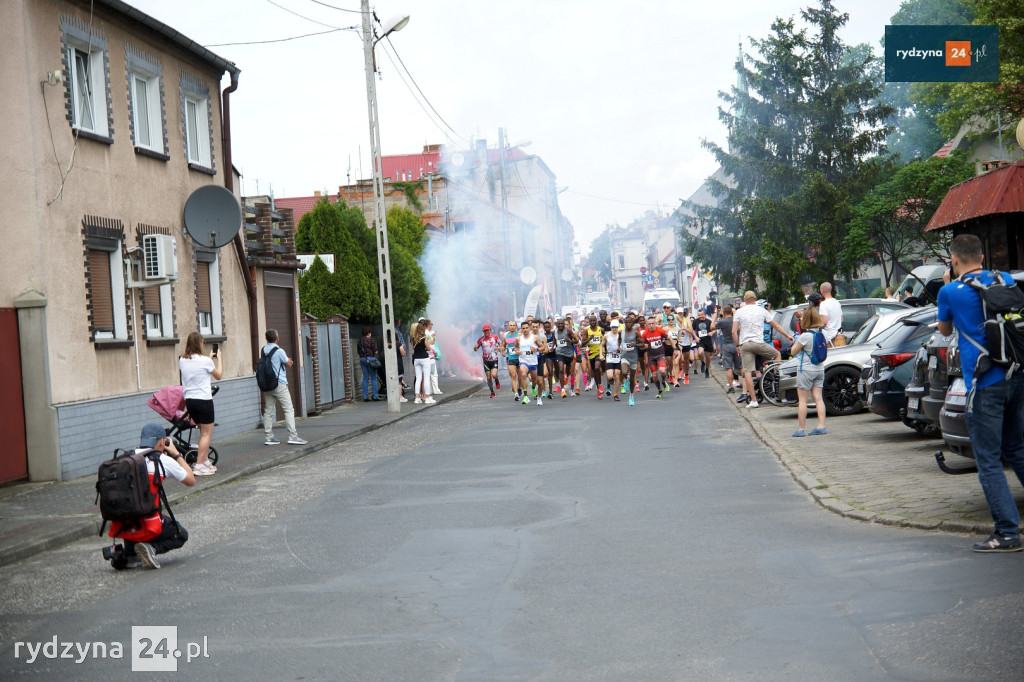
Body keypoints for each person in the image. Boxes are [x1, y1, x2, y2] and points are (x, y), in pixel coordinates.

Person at [937, 233, 1024, 552]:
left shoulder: (949, 291)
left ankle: (1007, 533)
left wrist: (950, 282)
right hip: (1016, 374)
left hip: (985, 384)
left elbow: (945, 331)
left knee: (988, 460)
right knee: (1016, 448)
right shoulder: (1000, 278)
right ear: (983, 258)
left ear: (955, 260)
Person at [114, 423, 195, 569]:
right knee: (181, 535)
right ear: (162, 442)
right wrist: (175, 453)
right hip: (150, 527)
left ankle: (129, 555)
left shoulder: (124, 459)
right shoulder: (162, 460)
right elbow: (190, 480)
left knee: (133, 509)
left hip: (124, 527)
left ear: (141, 440)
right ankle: (152, 549)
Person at [733, 291, 793, 408]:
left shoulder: (739, 311)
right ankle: (776, 380)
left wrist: (737, 346)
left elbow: (733, 331)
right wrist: (787, 335)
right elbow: (775, 325)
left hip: (745, 344)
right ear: (755, 299)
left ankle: (754, 400)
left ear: (745, 300)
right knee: (777, 355)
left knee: (747, 372)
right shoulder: (762, 310)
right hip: (758, 343)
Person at [178, 332, 221, 476]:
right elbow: (218, 375)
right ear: (199, 343)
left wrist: (208, 359)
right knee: (207, 433)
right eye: (203, 342)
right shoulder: (205, 361)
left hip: (190, 401)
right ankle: (198, 465)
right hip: (204, 400)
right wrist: (218, 359)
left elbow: (197, 368)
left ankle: (204, 461)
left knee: (203, 432)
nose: (204, 344)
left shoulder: (182, 360)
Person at [261, 329, 307, 445]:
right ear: (277, 338)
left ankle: (269, 437)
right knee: (288, 409)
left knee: (268, 411)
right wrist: (289, 361)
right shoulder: (279, 350)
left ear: (267, 339)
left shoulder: (263, 349)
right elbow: (288, 363)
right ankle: (293, 436)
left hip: (268, 385)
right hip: (279, 384)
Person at [789, 307, 827, 437]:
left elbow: (793, 352)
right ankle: (821, 425)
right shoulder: (822, 334)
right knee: (818, 398)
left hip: (806, 370)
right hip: (819, 369)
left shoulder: (805, 336)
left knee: (803, 400)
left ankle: (801, 429)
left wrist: (795, 343)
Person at [713, 305, 742, 394]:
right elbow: (740, 329)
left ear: (724, 313)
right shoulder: (736, 321)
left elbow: (712, 327)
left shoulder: (722, 322)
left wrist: (714, 318)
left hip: (727, 345)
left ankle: (731, 387)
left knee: (728, 367)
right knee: (740, 367)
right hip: (737, 344)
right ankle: (746, 384)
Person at [411, 320, 436, 404]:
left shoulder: (413, 338)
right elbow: (428, 348)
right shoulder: (424, 338)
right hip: (424, 358)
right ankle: (427, 397)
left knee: (418, 378)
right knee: (426, 378)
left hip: (416, 359)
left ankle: (417, 397)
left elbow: (413, 349)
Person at [474, 324, 501, 398]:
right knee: (488, 378)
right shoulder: (481, 339)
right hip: (486, 361)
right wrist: (475, 348)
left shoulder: (495, 337)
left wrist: (500, 348)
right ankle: (492, 392)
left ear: (490, 330)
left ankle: (496, 380)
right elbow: (476, 348)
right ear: (483, 331)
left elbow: (501, 345)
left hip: (494, 359)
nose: (486, 332)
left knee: (494, 375)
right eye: (485, 331)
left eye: (487, 330)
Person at [357, 327, 380, 402]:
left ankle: (365, 397)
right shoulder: (371, 340)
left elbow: (358, 351)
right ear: (368, 333)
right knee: (373, 378)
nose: (371, 334)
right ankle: (375, 396)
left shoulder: (359, 341)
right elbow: (375, 351)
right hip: (371, 360)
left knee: (365, 378)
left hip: (362, 359)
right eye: (370, 332)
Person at [501, 320, 521, 401]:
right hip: (511, 358)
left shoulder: (519, 335)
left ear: (516, 326)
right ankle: (516, 394)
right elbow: (503, 345)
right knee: (513, 375)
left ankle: (519, 388)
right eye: (510, 325)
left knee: (520, 376)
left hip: (519, 358)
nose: (512, 327)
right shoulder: (505, 336)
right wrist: (502, 351)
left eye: (513, 325)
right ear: (508, 327)